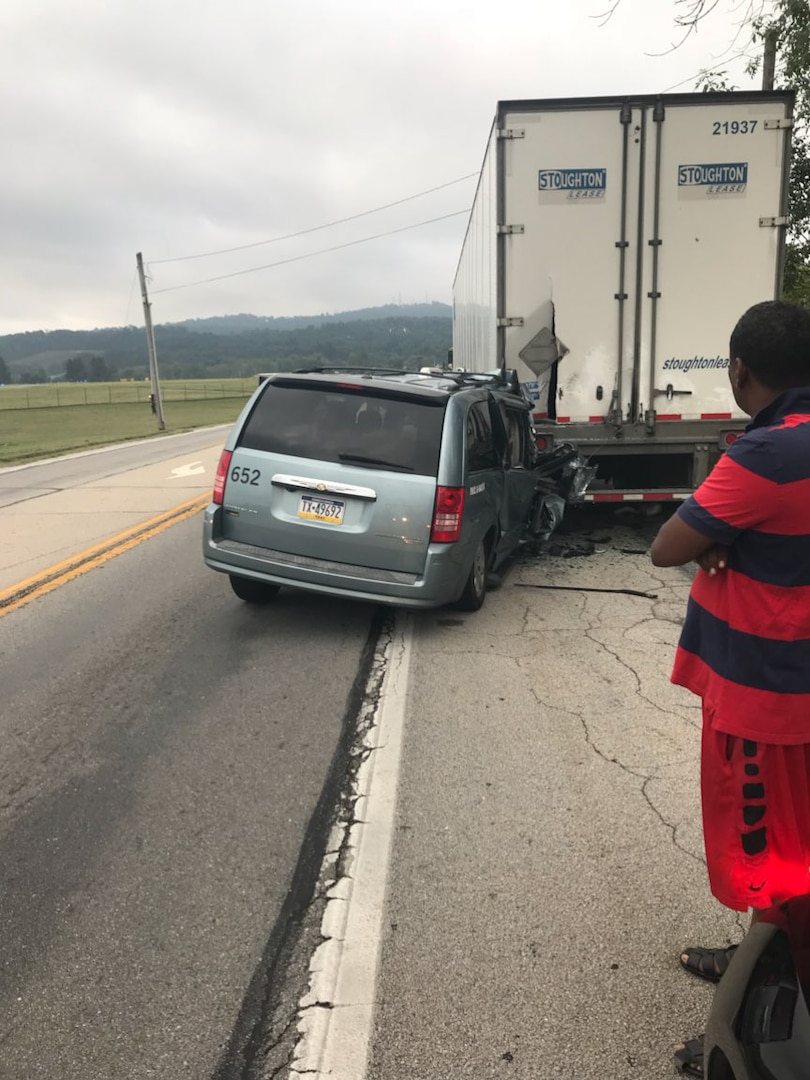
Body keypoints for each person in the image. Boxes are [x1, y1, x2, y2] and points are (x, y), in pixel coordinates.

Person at [650, 300, 810, 1078]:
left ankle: (780, 1033)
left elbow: (666, 546)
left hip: (771, 702)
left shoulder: (769, 453)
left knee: (782, 862)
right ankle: (760, 970)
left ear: (739, 370)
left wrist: (720, 536)